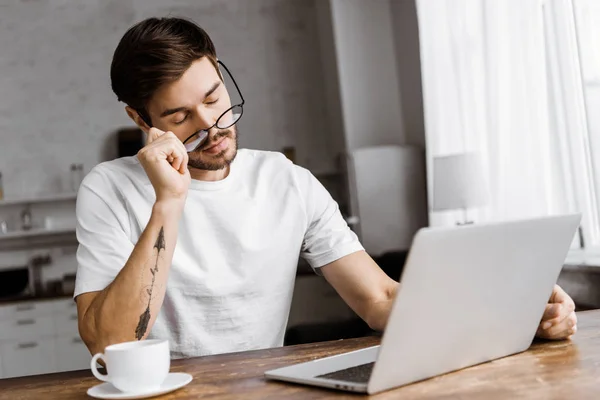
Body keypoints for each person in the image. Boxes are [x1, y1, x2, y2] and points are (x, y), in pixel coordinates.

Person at [74, 17, 577, 358]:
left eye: (214, 97)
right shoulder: (110, 190)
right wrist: (169, 201)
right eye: (181, 116)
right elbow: (108, 343)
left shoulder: (287, 181)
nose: (214, 125)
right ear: (140, 119)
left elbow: (379, 298)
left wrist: (512, 313)